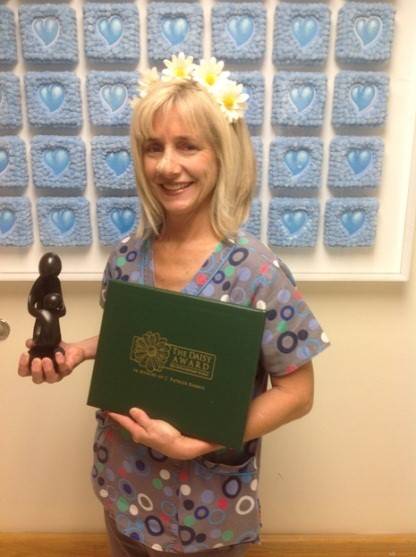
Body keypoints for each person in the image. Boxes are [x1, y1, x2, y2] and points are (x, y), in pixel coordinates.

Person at [18, 53, 330, 556]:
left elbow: (298, 393)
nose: (167, 165)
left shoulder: (257, 271)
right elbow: (137, 341)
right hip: (124, 489)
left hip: (208, 504)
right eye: (153, 147)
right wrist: (78, 350)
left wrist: (198, 442)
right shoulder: (127, 258)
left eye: (188, 146)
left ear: (221, 154)